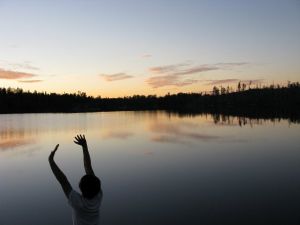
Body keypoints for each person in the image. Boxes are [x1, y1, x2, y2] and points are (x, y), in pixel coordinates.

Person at [48, 134, 103, 225]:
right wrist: (84, 147)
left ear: (81, 188)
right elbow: (88, 168)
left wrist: (51, 160)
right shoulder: (99, 196)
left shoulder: (78, 203)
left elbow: (63, 181)